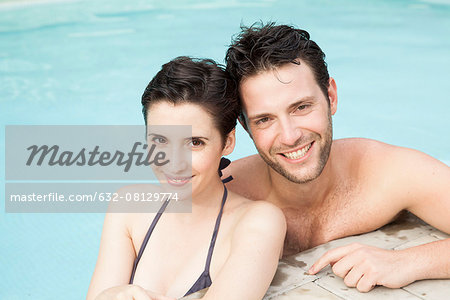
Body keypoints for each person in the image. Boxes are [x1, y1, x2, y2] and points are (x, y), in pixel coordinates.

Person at [223, 22, 450, 292]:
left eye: (301, 107)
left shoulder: (388, 172)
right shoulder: (222, 194)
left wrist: (407, 262)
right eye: (264, 120)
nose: (289, 136)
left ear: (331, 96)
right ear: (245, 126)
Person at [87, 57, 286, 300]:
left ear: (227, 142)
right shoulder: (128, 208)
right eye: (160, 140)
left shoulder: (258, 222)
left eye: (194, 142)